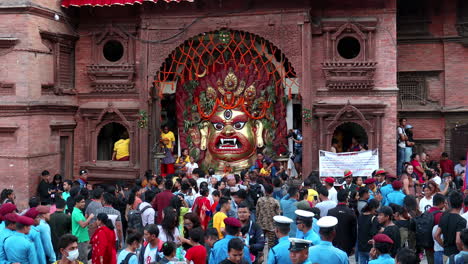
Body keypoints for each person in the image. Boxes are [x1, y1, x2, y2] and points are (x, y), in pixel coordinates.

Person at [435, 191, 467, 257]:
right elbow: (458, 241)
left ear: (450, 203)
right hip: (456, 254)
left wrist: (444, 246)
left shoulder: (443, 217)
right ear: (462, 204)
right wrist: (461, 251)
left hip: (446, 253)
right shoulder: (461, 220)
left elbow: (436, 235)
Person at [328, 189, 357, 256]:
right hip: (347, 244)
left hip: (333, 243)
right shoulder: (351, 212)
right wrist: (353, 245)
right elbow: (354, 231)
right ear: (346, 198)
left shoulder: (331, 212)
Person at [256, 183, 280, 249]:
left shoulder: (260, 200)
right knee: (271, 244)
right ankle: (270, 257)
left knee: (260, 242)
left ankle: (261, 256)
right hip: (272, 225)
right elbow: (278, 214)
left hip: (261, 224)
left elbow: (257, 212)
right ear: (272, 192)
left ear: (264, 191)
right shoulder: (275, 202)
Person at [71, 195, 94, 263]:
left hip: (82, 238)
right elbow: (83, 225)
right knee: (82, 258)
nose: (84, 204)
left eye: (84, 202)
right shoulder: (76, 213)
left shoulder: (78, 212)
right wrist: (90, 217)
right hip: (80, 239)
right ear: (76, 203)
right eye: (82, 202)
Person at [357, 199, 380, 264]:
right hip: (370, 247)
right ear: (374, 208)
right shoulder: (373, 218)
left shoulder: (360, 216)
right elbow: (373, 232)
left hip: (361, 246)